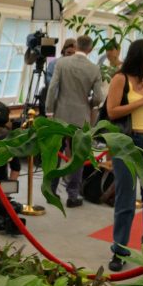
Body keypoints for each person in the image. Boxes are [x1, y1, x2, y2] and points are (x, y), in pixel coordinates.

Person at [105, 38, 143, 270]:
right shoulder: (121, 78)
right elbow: (112, 112)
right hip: (127, 142)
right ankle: (119, 249)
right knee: (126, 199)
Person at [45, 35, 104, 207]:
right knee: (78, 157)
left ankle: (51, 190)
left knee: (56, 153)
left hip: (60, 115)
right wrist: (88, 103)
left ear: (76, 45)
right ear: (90, 49)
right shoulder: (94, 69)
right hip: (81, 117)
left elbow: (52, 88)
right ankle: (72, 195)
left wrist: (50, 111)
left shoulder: (62, 63)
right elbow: (98, 97)